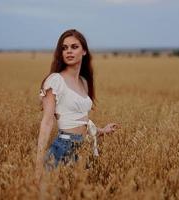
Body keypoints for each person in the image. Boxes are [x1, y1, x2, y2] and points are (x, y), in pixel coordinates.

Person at [35, 29, 118, 182]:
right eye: (64, 48)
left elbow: (80, 121)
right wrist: (39, 163)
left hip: (85, 147)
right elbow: (47, 123)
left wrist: (102, 131)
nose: (69, 51)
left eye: (74, 47)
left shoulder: (84, 82)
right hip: (64, 147)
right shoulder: (55, 80)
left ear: (84, 51)